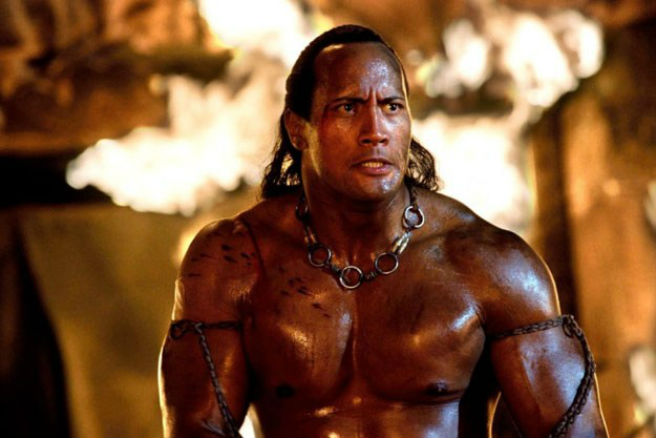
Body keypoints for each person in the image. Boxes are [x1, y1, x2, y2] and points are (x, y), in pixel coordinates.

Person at [158, 25, 608, 438]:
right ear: (298, 129)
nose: (375, 131)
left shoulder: (492, 264)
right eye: (348, 107)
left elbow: (575, 434)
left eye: (391, 107)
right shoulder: (234, 261)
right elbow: (196, 430)